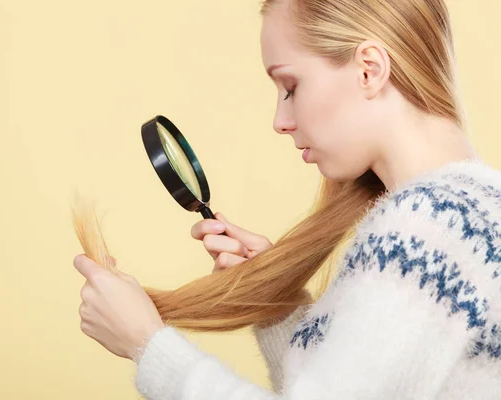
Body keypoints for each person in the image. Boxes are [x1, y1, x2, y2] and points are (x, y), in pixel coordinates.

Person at [72, 0, 501, 398]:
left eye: (290, 86)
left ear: (369, 70)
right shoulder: (467, 213)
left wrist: (146, 345)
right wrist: (279, 310)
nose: (280, 121)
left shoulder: (428, 226)